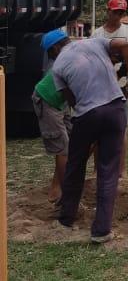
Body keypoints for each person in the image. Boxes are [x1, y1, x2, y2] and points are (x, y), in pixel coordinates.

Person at [49, 32, 128, 242]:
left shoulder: (57, 67)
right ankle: (101, 231)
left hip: (87, 116)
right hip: (115, 111)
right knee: (108, 171)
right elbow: (126, 45)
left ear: (54, 50)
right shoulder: (96, 42)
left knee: (75, 165)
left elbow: (72, 101)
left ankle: (66, 218)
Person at [94, 0, 128, 175]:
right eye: (115, 12)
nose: (118, 16)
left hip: (122, 89)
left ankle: (122, 172)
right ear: (108, 11)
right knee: (98, 132)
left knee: (120, 130)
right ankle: (99, 171)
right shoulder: (98, 34)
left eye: (121, 13)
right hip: (100, 88)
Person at [32, 29, 73, 204]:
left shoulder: (70, 55)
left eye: (50, 53)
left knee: (71, 144)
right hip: (47, 100)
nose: (51, 58)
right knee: (62, 148)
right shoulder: (71, 55)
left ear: (55, 48)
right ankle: (65, 194)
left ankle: (61, 188)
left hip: (61, 101)